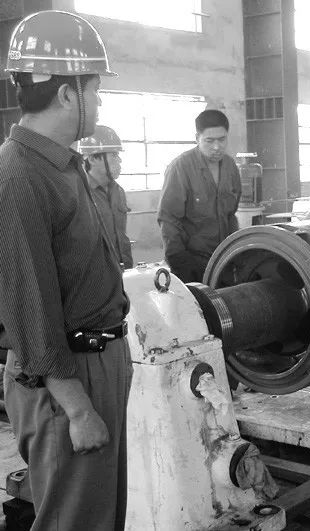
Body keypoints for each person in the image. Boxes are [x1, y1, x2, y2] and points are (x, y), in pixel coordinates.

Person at [0, 10, 132, 531]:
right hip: (67, 378)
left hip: (95, 362)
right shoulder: (18, 174)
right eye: (96, 91)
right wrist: (77, 409)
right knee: (75, 522)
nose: (99, 102)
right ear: (67, 93)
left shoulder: (62, 164)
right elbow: (29, 307)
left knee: (100, 515)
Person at [157, 110, 241, 283]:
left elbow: (231, 215)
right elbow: (168, 219)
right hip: (192, 261)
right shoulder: (181, 167)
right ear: (197, 138)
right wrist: (179, 261)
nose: (217, 147)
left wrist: (236, 251)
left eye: (222, 139)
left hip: (224, 258)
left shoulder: (230, 166)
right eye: (209, 141)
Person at [79, 124, 134, 269]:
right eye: (114, 155)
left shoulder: (118, 191)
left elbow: (121, 236)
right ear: (92, 159)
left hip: (124, 270)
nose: (119, 160)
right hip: (96, 275)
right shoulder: (79, 194)